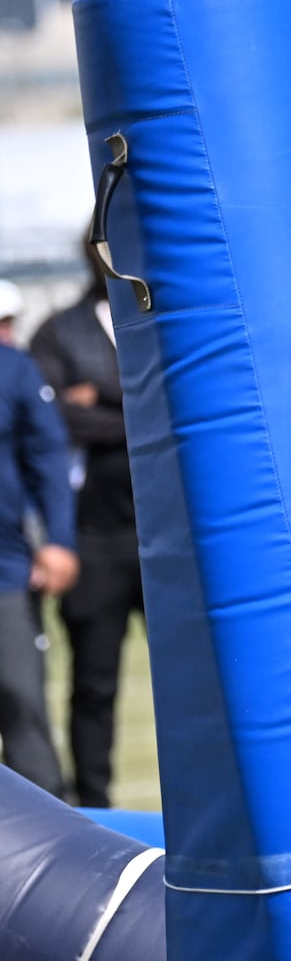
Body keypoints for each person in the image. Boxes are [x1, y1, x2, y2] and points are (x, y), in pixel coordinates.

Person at [28, 242, 143, 808]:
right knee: (94, 685)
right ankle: (96, 810)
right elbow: (51, 414)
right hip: (95, 536)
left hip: (169, 538)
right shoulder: (59, 331)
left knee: (202, 683)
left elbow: (185, 399)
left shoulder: (166, 322)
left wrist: (105, 394)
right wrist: (140, 414)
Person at [0, 320, 76, 799]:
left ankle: (52, 855)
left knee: (21, 704)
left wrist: (57, 539)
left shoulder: (13, 368)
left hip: (4, 572)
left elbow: (48, 457)